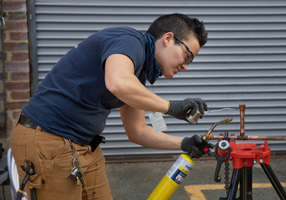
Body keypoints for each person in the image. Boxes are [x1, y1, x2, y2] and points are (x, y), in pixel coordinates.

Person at [10, 13, 211, 200]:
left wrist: (184, 143)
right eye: (188, 56)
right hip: (48, 139)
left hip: (84, 147)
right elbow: (117, 83)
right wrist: (170, 107)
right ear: (168, 39)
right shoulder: (128, 40)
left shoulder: (136, 75)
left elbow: (138, 131)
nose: (185, 66)